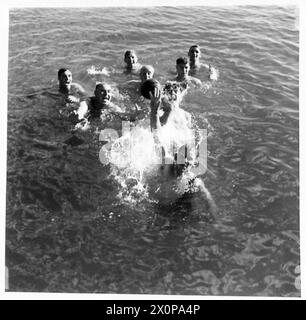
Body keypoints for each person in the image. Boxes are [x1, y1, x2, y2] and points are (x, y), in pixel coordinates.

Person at [146, 81, 217, 215]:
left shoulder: (189, 175)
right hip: (163, 202)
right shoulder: (166, 163)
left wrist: (215, 218)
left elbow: (208, 199)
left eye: (187, 164)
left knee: (198, 188)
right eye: (170, 93)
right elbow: (156, 133)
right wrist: (154, 112)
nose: (185, 166)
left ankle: (213, 219)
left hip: (178, 194)